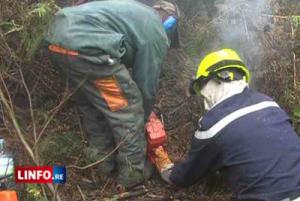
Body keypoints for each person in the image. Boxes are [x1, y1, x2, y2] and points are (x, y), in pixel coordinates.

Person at [45, 0, 179, 188]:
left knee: (92, 107)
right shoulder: (156, 29)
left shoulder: (135, 12)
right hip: (89, 48)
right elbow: (146, 82)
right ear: (169, 22)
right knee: (128, 110)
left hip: (57, 41)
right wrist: (145, 115)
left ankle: (102, 167)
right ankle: (132, 175)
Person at [156, 49, 300, 201]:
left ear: (215, 80)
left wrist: (168, 171)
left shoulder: (213, 126)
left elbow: (186, 176)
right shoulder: (269, 103)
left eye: (202, 88)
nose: (204, 100)